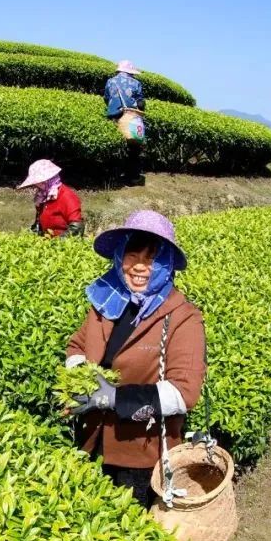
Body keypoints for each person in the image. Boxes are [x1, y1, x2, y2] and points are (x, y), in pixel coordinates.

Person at [64, 210, 206, 510]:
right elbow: (77, 344)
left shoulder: (184, 318)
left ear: (167, 264)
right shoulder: (109, 300)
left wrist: (115, 398)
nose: (139, 266)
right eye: (132, 253)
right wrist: (80, 377)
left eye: (152, 257)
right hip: (90, 439)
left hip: (138, 456)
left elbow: (184, 392)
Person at [104, 61, 147, 184]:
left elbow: (106, 98)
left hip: (113, 115)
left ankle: (112, 176)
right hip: (129, 116)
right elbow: (140, 102)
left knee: (114, 145)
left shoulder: (110, 81)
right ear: (130, 72)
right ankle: (132, 177)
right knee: (133, 148)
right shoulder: (135, 83)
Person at [15, 159, 83, 237]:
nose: (36, 185)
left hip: (62, 244)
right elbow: (38, 225)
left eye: (38, 182)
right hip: (47, 240)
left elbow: (77, 227)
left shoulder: (67, 196)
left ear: (48, 180)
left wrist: (57, 243)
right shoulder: (43, 197)